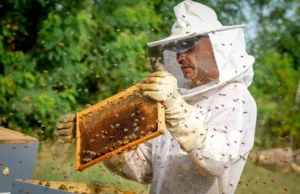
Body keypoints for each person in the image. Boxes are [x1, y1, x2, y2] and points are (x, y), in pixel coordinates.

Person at [54, 1, 257, 193]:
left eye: (188, 46)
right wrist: (97, 134)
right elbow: (145, 170)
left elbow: (216, 160)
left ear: (216, 47)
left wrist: (176, 108)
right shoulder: (180, 97)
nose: (179, 57)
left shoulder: (234, 96)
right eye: (176, 49)